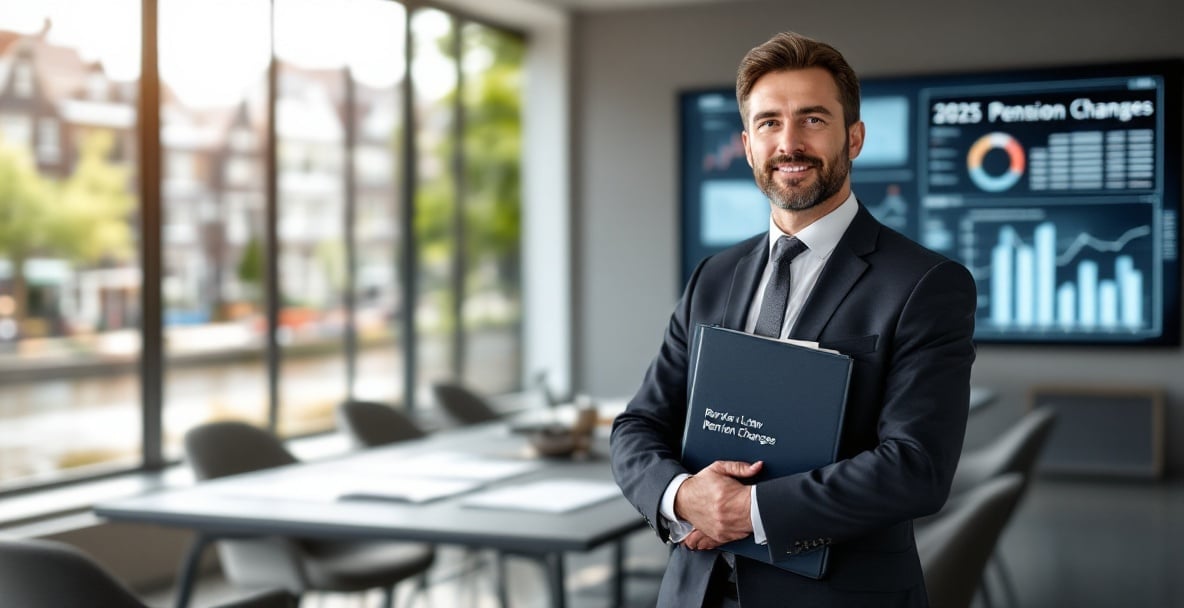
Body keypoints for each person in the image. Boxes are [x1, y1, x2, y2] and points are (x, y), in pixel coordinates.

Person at [610, 31, 976, 607]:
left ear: (853, 138)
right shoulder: (713, 276)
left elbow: (916, 466)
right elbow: (638, 425)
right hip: (695, 590)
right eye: (769, 123)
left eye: (812, 119)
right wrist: (681, 496)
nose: (789, 143)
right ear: (747, 145)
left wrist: (748, 510)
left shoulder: (925, 283)